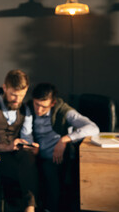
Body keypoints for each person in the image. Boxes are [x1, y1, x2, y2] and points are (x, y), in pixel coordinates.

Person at [24, 82, 99, 212]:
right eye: (37, 104)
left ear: (52, 103)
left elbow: (93, 128)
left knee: (51, 174)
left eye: (43, 107)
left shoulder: (64, 110)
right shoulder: (28, 108)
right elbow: (26, 133)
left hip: (54, 157)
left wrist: (65, 139)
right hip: (34, 154)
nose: (39, 110)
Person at [0, 70, 39, 212]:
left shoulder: (25, 109)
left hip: (15, 154)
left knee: (28, 156)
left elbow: (27, 136)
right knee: (24, 168)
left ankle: (30, 207)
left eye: (22, 96)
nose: (17, 100)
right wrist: (6, 147)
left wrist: (31, 146)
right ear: (4, 88)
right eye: (13, 95)